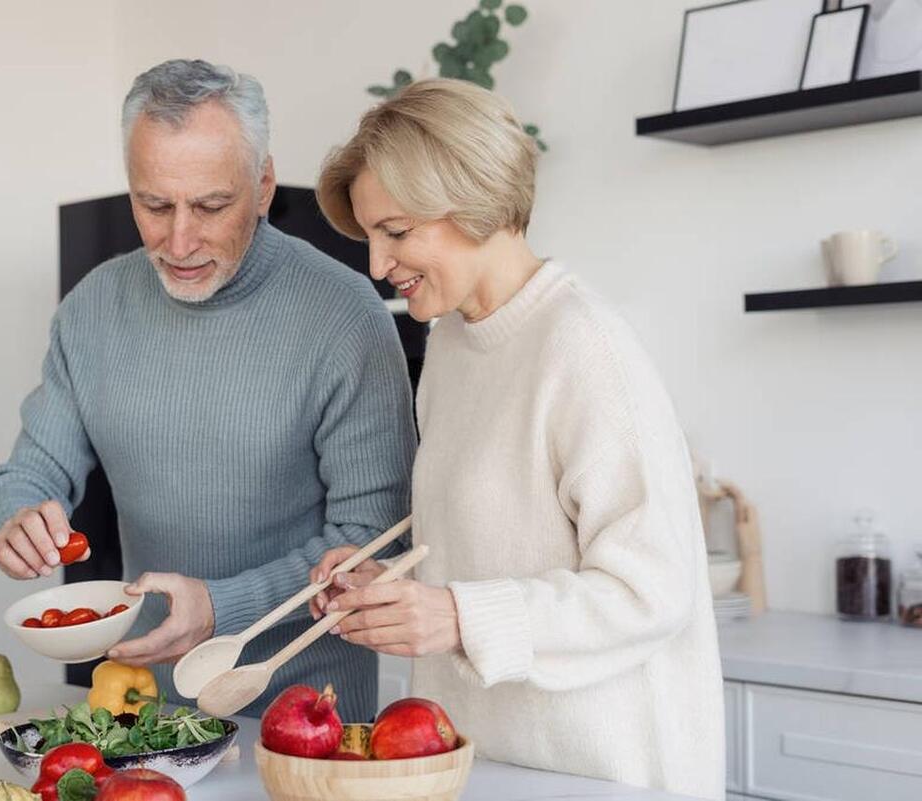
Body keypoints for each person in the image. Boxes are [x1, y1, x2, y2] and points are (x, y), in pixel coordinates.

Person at [309, 78, 725, 799]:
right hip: (487, 761)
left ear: (475, 203)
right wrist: (396, 590)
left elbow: (653, 590)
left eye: (397, 232)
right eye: (372, 235)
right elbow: (492, 542)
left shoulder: (585, 347)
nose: (377, 265)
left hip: (604, 770)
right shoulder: (451, 345)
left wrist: (455, 613)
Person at [0, 59, 416, 721]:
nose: (179, 239)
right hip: (148, 711)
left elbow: (370, 540)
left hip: (307, 716)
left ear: (264, 183)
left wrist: (219, 606)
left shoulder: (344, 314)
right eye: (153, 204)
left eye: (212, 205)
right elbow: (30, 471)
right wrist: (16, 514)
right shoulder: (93, 307)